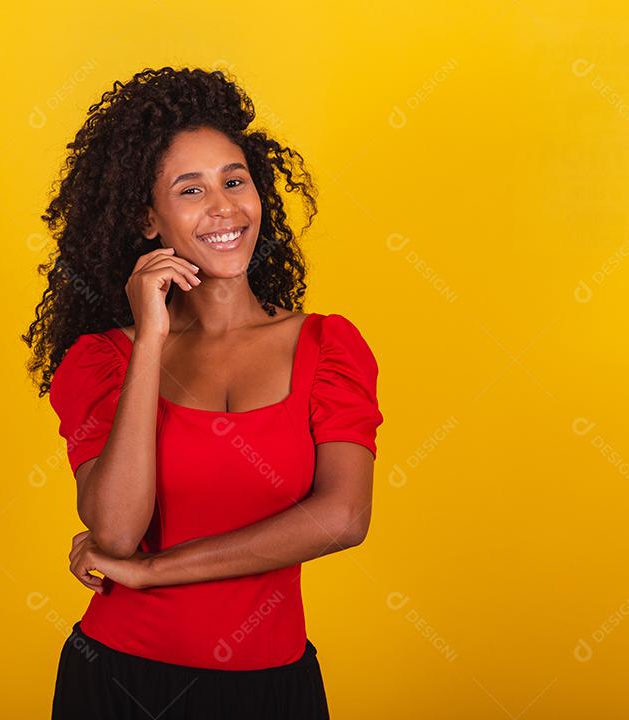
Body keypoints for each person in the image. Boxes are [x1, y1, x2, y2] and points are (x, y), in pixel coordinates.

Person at [23, 66, 384, 720]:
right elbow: (115, 529)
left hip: (273, 689)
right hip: (119, 682)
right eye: (190, 190)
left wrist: (154, 572)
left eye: (234, 181)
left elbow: (342, 517)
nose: (223, 207)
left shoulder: (329, 347)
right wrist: (150, 341)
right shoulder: (101, 360)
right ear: (148, 219)